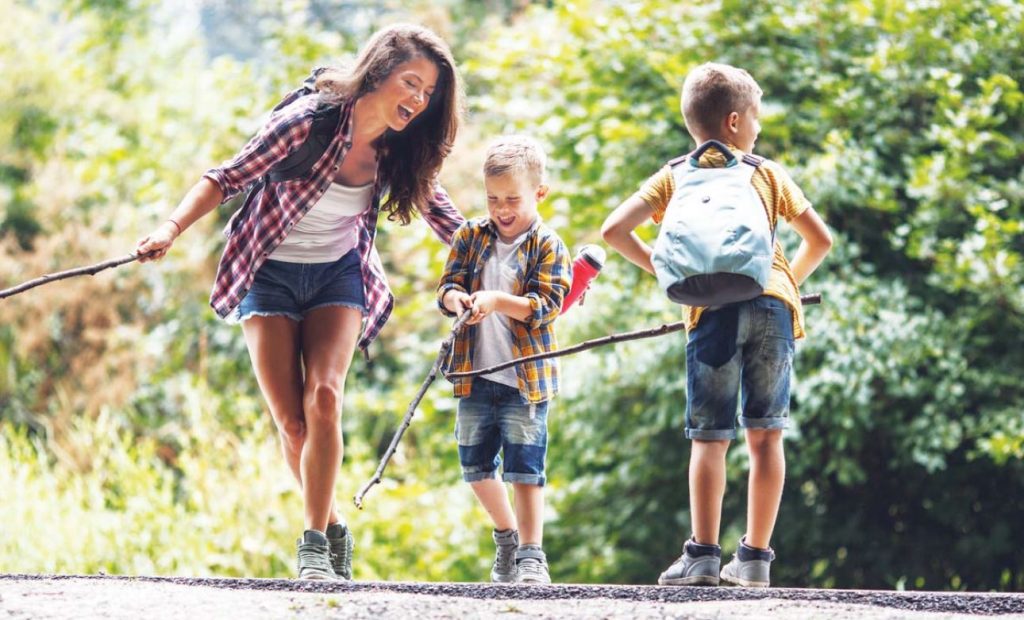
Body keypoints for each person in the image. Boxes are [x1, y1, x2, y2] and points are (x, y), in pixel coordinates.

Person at [135, 24, 465, 580]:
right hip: (268, 274)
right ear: (380, 71)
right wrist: (169, 229)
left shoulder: (401, 149)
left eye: (427, 93)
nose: (416, 99)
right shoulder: (308, 122)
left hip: (339, 275)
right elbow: (226, 177)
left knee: (326, 397)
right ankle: (331, 521)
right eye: (410, 82)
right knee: (292, 425)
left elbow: (452, 224)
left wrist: (524, 262)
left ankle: (312, 546)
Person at [601, 62, 833, 587]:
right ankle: (754, 561)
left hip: (710, 315)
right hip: (771, 305)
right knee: (766, 436)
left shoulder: (673, 175)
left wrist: (665, 269)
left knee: (710, 439)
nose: (758, 127)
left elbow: (614, 229)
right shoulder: (766, 173)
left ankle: (703, 556)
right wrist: (781, 286)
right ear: (733, 121)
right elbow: (820, 240)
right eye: (755, 116)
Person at [437, 135, 571, 584]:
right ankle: (507, 537)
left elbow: (547, 305)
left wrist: (498, 300)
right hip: (475, 376)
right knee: (475, 467)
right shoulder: (469, 237)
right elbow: (447, 286)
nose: (502, 209)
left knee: (525, 469)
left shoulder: (548, 245)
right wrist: (458, 300)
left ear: (539, 193)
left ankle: (532, 555)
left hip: (525, 381)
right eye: (493, 199)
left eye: (512, 199)